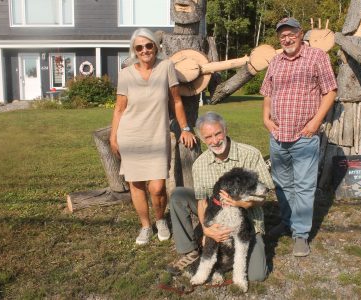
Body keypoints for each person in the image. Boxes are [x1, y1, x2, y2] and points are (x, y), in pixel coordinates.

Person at [110, 28, 196, 246]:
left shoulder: (166, 67)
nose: (145, 50)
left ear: (155, 47)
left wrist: (185, 128)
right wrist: (113, 136)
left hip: (157, 135)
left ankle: (160, 220)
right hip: (130, 135)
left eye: (149, 45)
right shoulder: (126, 74)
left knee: (157, 187)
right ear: (134, 51)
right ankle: (146, 226)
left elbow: (176, 101)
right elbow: (119, 108)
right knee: (136, 184)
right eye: (139, 47)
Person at [260, 17, 337, 257]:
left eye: (290, 33)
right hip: (278, 134)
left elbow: (330, 91)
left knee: (303, 186)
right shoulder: (275, 61)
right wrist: (266, 119)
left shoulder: (317, 57)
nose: (286, 38)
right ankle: (286, 222)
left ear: (300, 33)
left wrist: (315, 123)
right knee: (282, 184)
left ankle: (301, 235)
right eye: (282, 35)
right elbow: (267, 94)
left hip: (304, 134)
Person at [166, 112, 274, 281]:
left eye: (218, 133)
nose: (215, 141)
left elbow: (264, 196)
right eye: (208, 137)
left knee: (257, 276)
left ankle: (238, 252)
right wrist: (206, 230)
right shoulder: (200, 164)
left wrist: (243, 204)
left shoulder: (250, 154)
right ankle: (190, 250)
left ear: (225, 130)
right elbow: (202, 201)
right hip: (214, 209)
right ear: (202, 139)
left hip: (248, 217)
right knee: (178, 195)